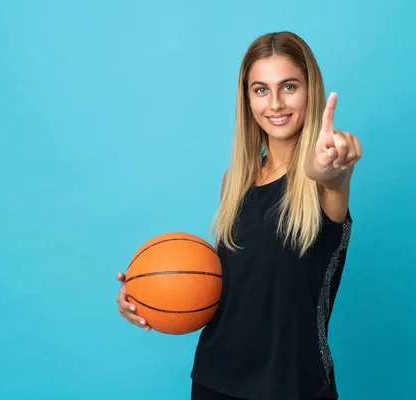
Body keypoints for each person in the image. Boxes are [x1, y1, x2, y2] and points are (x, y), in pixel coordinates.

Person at [115, 31, 362, 400]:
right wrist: (147, 293)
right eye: (260, 89)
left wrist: (332, 167)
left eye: (289, 86)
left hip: (293, 386)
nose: (275, 103)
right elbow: (222, 285)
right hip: (215, 380)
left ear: (311, 90)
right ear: (247, 99)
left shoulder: (324, 180)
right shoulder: (235, 182)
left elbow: (330, 174)